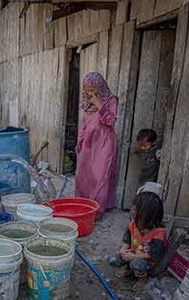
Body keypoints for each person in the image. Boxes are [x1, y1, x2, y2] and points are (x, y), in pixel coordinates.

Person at [75, 72, 119, 217]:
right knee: (84, 175)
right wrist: (80, 141)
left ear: (100, 87)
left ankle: (97, 209)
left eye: (93, 89)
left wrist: (99, 105)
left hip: (104, 142)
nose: (90, 93)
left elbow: (110, 121)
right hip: (89, 142)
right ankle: (84, 204)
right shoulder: (86, 104)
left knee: (101, 175)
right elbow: (85, 125)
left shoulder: (111, 100)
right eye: (87, 89)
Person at [109, 192, 167, 278]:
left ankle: (142, 278)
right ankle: (129, 270)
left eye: (136, 209)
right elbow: (127, 240)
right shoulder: (133, 224)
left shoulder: (159, 233)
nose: (132, 210)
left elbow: (154, 255)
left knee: (137, 264)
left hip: (146, 261)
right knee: (114, 260)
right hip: (133, 253)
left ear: (147, 215)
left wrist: (133, 256)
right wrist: (123, 250)